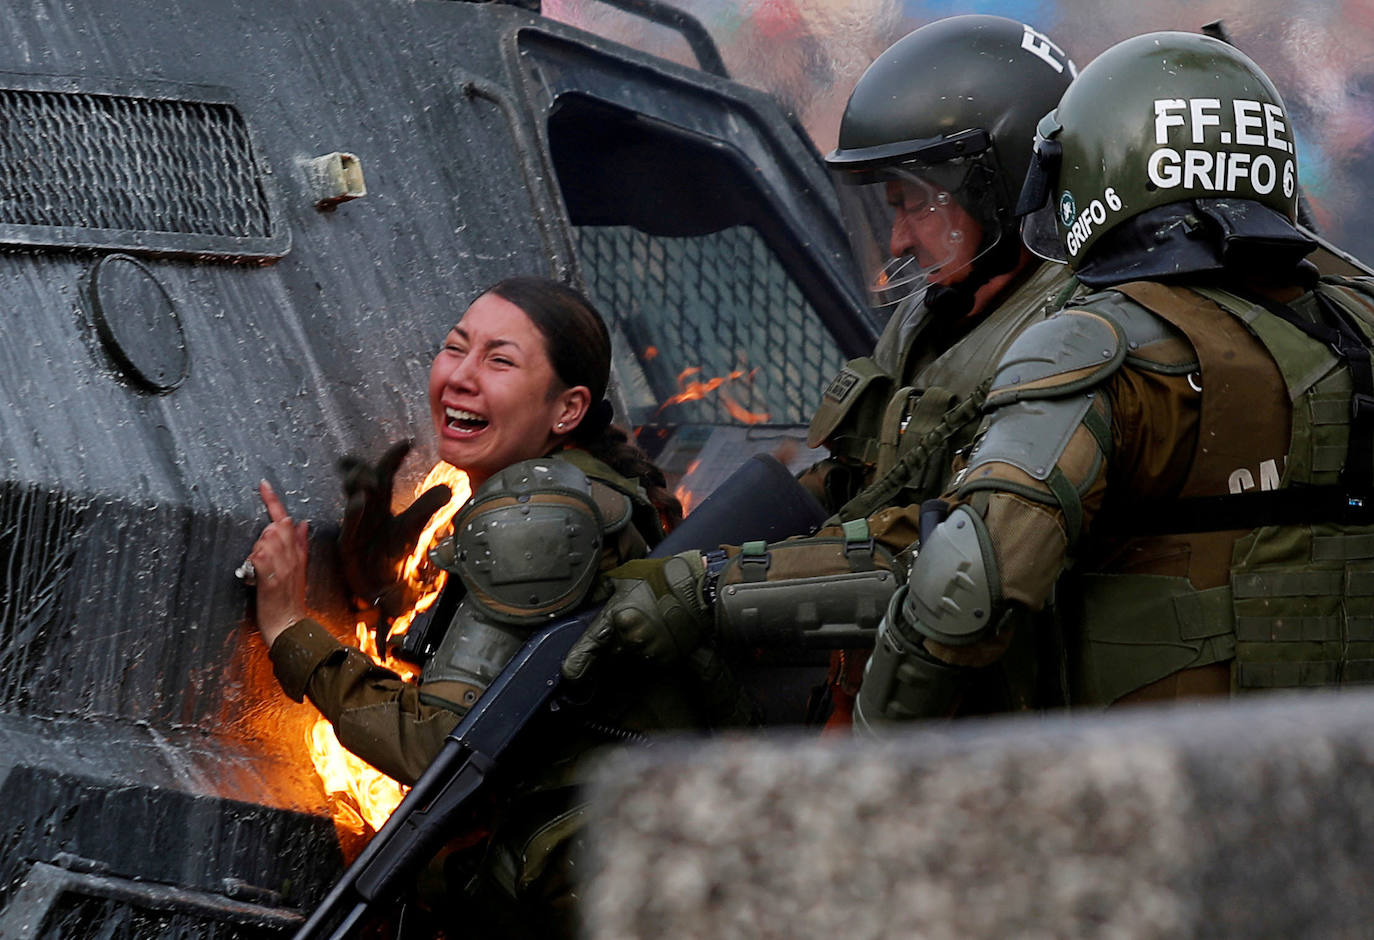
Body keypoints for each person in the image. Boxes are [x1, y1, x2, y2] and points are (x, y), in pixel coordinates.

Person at [561, 15, 1080, 725]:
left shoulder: (1069, 336)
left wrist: (707, 587)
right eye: (889, 208)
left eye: (915, 204)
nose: (897, 237)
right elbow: (850, 480)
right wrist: (669, 564)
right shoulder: (936, 318)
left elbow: (951, 555)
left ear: (1001, 182)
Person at [854, 30, 1374, 729]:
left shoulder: (1092, 341)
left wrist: (868, 752)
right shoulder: (1361, 318)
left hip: (1150, 791)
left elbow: (968, 585)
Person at [245, 275, 706, 937]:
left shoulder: (537, 514)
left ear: (568, 409)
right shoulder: (580, 489)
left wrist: (290, 627)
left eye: (500, 361)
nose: (460, 377)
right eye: (454, 348)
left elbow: (436, 748)